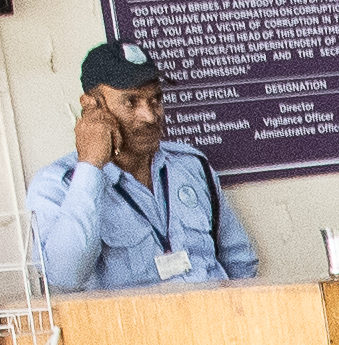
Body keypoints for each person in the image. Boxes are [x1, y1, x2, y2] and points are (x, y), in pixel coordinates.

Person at [27, 38, 256, 294]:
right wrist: (91, 165)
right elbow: (64, 278)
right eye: (131, 102)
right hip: (135, 329)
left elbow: (240, 262)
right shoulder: (58, 184)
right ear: (91, 106)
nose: (150, 116)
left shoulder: (192, 165)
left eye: (155, 100)